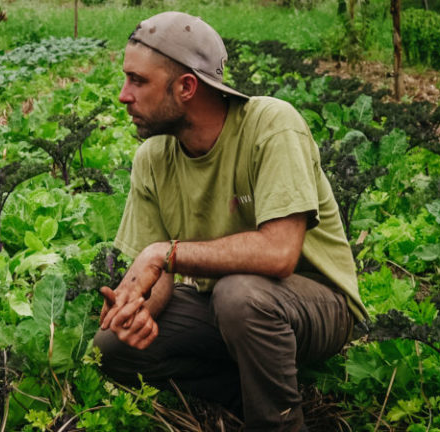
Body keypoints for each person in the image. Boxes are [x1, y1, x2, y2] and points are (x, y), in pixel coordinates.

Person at [93, 11, 367, 432]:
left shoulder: (271, 125)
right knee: (112, 346)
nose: (123, 95)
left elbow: (279, 253)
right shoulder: (153, 158)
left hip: (316, 305)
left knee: (239, 295)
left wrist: (167, 254)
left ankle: (279, 423)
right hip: (227, 307)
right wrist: (141, 308)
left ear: (186, 87)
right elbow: (159, 275)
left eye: (138, 80)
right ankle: (251, 389)